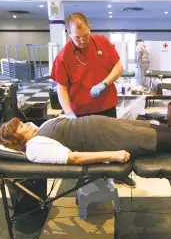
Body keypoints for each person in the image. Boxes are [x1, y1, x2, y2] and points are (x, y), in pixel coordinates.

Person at [50, 12, 138, 187]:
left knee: (114, 140)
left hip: (106, 105)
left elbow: (118, 67)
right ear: (69, 33)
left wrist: (104, 84)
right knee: (86, 146)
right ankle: (87, 177)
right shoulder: (63, 56)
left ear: (90, 28)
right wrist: (69, 113)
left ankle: (118, 173)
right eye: (77, 37)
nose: (82, 40)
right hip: (81, 111)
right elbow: (61, 88)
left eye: (85, 36)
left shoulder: (102, 42)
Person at [0, 115, 171, 165]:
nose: (26, 124)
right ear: (17, 139)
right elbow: (72, 158)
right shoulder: (35, 148)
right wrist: (113, 155)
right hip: (109, 137)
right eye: (21, 127)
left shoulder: (39, 133)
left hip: (109, 125)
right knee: (169, 140)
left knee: (170, 131)